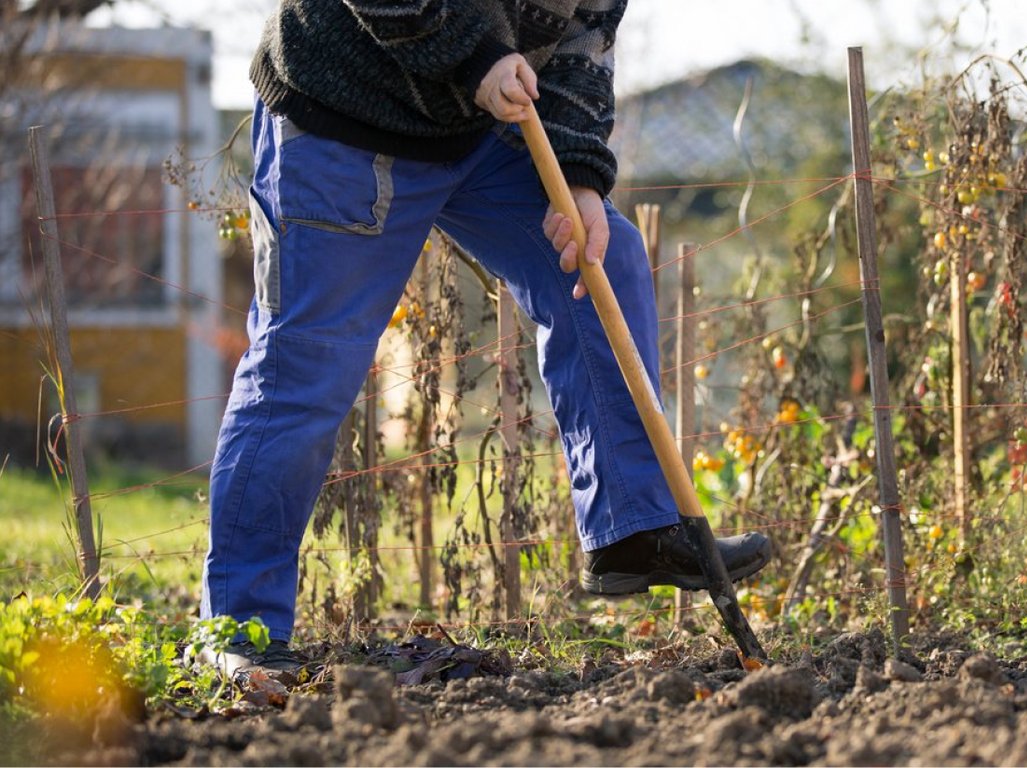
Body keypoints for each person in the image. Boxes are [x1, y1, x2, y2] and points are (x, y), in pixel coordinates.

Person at [197, 0, 771, 679]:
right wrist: (476, 58)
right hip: (346, 117)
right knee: (304, 367)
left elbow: (583, 42)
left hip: (475, 130)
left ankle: (633, 528)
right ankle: (241, 631)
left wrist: (581, 176)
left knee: (601, 258)